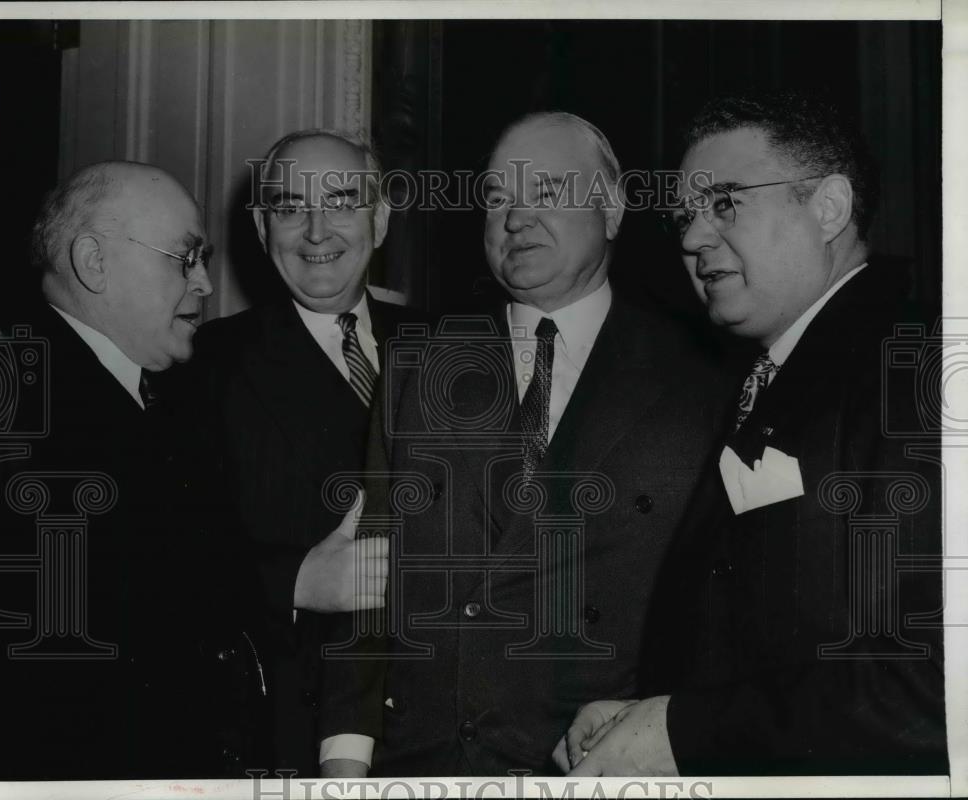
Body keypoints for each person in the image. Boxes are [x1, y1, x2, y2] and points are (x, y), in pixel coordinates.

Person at [322, 111, 729, 777]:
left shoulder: (701, 380)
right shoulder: (414, 367)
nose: (515, 218)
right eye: (497, 198)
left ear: (613, 208)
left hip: (598, 768)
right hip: (418, 768)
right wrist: (344, 760)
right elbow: (362, 578)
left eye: (545, 193)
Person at [555, 90, 946, 777]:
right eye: (684, 215)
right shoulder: (764, 377)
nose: (692, 238)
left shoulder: (919, 367)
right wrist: (643, 714)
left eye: (726, 202)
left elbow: (937, 688)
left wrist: (681, 732)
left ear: (828, 208)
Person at [0, 161, 271, 778]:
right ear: (93, 262)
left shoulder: (161, 398)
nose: (203, 283)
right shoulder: (12, 412)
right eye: (185, 257)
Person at [188, 129, 416, 776]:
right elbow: (168, 558)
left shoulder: (448, 343)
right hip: (289, 737)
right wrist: (294, 583)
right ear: (262, 228)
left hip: (442, 728)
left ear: (380, 217)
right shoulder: (208, 365)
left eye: (342, 201)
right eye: (290, 208)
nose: (317, 232)